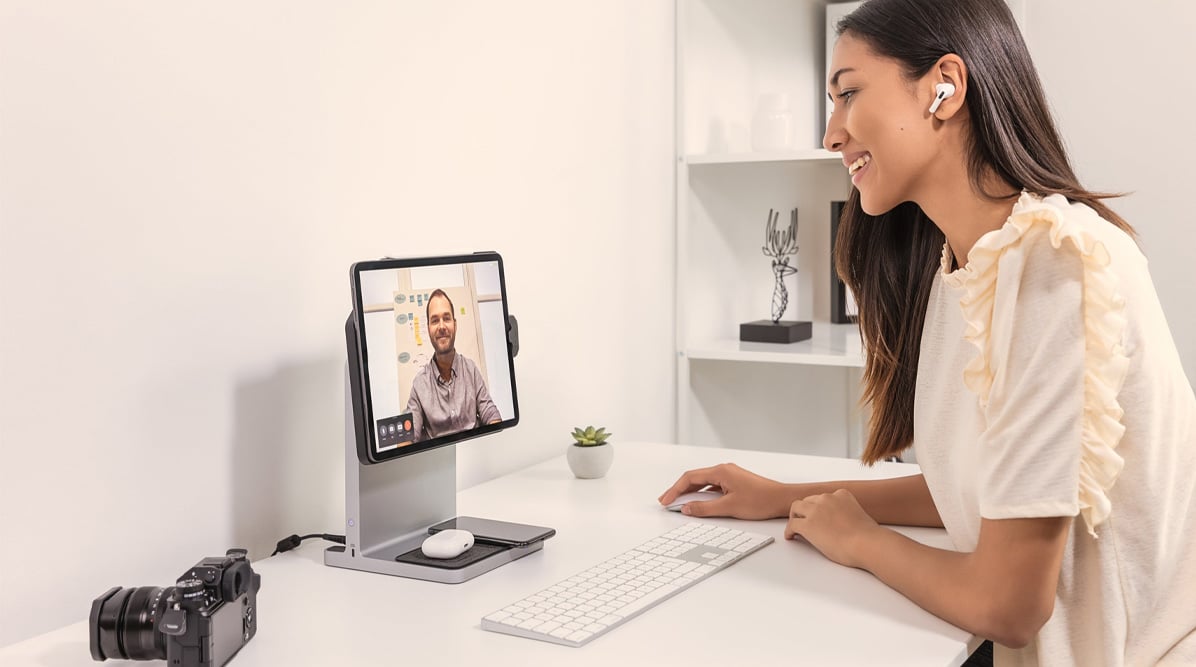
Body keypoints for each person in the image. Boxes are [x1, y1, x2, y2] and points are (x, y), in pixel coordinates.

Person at [659, 1, 1195, 664]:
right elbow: (982, 493)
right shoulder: (963, 267)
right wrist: (782, 495)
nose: (831, 133)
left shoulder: (1058, 262)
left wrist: (861, 539)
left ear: (945, 86)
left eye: (848, 93)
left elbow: (1009, 603)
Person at [407, 288, 501, 441]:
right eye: (435, 320)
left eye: (447, 318)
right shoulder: (419, 384)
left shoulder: (471, 369)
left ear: (455, 325)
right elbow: (409, 435)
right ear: (429, 329)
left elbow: (490, 414)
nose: (442, 326)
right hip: (439, 460)